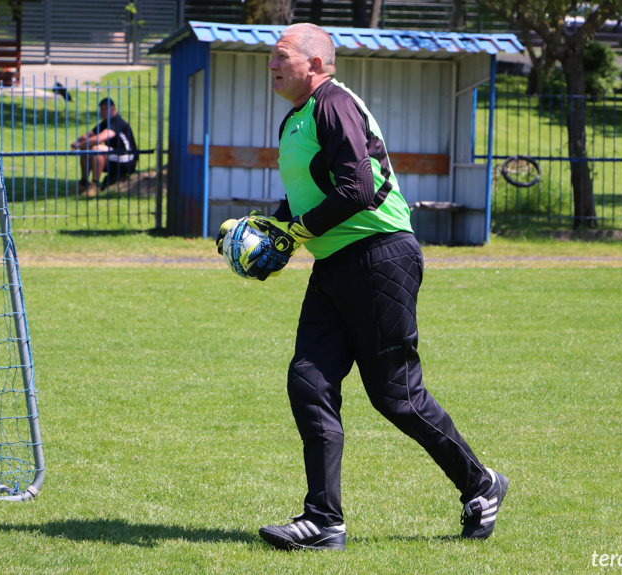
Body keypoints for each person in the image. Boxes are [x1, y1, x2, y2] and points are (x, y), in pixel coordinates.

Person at [217, 23, 508, 551]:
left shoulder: (333, 103)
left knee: (397, 396)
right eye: (270, 57)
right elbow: (309, 198)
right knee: (309, 381)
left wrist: (296, 232)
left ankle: (481, 484)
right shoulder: (296, 119)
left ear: (316, 63)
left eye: (281, 56)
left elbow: (359, 188)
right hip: (334, 266)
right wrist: (266, 229)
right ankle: (323, 521)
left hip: (380, 257)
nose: (271, 65)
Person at [70, 98, 137, 196]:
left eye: (106, 108)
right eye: (102, 109)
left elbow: (99, 139)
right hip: (115, 156)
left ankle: (95, 185)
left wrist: (80, 145)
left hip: (126, 159)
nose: (103, 111)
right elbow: (89, 135)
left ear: (113, 109)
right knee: (86, 149)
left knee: (96, 149)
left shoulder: (117, 122)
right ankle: (84, 183)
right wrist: (78, 142)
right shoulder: (105, 123)